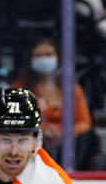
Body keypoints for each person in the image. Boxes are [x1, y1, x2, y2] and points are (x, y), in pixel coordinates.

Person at [14, 37, 97, 170]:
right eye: (38, 55)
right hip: (36, 142)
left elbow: (84, 122)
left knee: (88, 137)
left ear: (57, 57)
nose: (44, 59)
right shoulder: (19, 89)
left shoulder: (71, 88)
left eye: (48, 55)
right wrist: (43, 130)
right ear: (30, 59)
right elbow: (17, 122)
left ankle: (75, 172)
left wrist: (65, 132)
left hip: (69, 142)